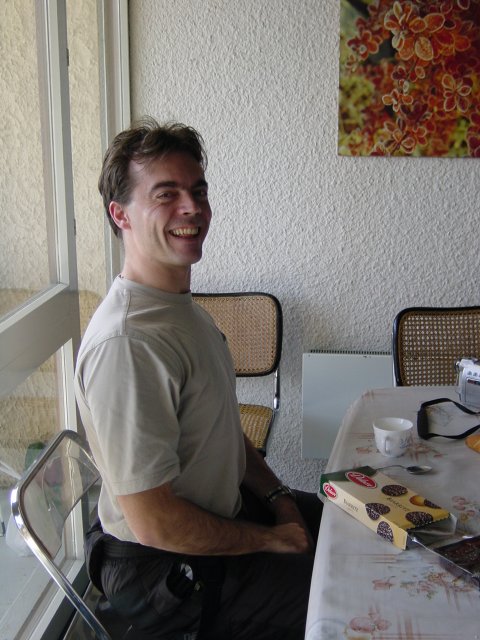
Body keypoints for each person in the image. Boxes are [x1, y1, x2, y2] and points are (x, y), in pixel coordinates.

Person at [74, 117, 322, 640]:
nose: (192, 207)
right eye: (166, 194)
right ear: (121, 214)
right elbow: (156, 522)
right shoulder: (128, 343)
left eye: (198, 190)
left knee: (348, 526)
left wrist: (279, 498)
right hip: (160, 567)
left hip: (214, 511)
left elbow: (222, 430)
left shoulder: (180, 308)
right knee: (344, 597)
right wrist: (272, 539)